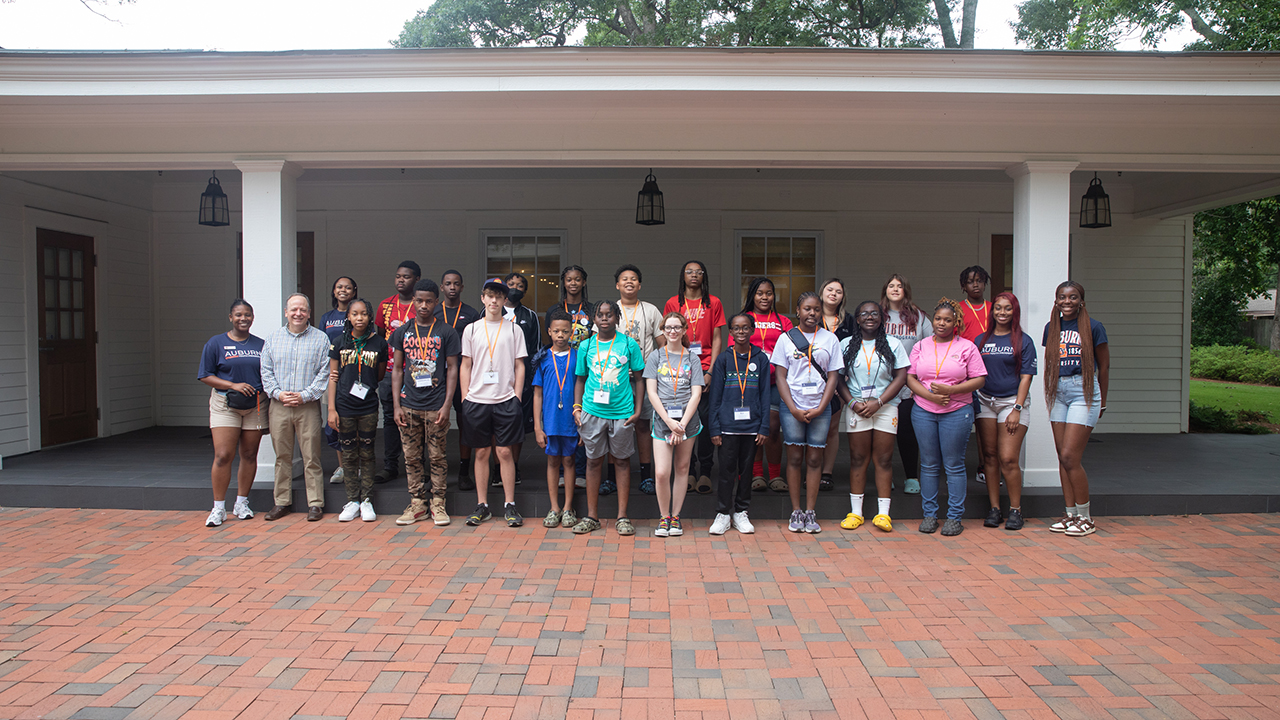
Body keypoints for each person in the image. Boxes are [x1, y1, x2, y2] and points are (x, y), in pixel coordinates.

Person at [906, 299, 987, 537]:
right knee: (929, 465)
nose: (941, 323)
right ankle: (930, 515)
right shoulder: (921, 345)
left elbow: (980, 379)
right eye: (938, 319)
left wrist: (951, 391)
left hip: (957, 411)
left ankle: (954, 517)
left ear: (956, 323)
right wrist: (930, 396)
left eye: (947, 320)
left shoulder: (967, 347)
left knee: (954, 465)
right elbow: (910, 378)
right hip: (923, 410)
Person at [571, 300, 645, 536]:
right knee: (593, 462)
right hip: (592, 412)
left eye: (609, 315)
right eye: (600, 315)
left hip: (622, 412)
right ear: (594, 319)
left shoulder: (629, 344)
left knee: (622, 462)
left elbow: (640, 379)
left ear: (617, 318)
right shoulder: (586, 346)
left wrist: (638, 410)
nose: (604, 319)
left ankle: (622, 517)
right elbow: (580, 379)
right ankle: (592, 516)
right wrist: (577, 407)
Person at [772, 292, 844, 534]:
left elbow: (833, 375)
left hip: (819, 407)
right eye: (807, 309)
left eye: (816, 309)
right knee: (793, 458)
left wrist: (822, 407)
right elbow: (780, 376)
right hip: (793, 406)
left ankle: (810, 511)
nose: (812, 313)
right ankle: (795, 510)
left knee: (814, 459)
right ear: (798, 310)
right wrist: (792, 407)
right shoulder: (786, 339)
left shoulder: (830, 339)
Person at [391, 279, 460, 527]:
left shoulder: (446, 332)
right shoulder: (402, 332)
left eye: (428, 301)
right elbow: (397, 369)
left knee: (437, 457)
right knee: (411, 457)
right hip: (408, 405)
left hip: (435, 405)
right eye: (419, 300)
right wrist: (396, 405)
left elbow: (452, 369)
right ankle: (417, 503)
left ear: (436, 302)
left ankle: (438, 503)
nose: (423, 305)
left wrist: (447, 404)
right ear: (413, 301)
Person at [835, 301, 909, 533]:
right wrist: (852, 403)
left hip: (885, 407)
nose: (869, 317)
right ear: (856, 319)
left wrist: (879, 402)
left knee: (884, 460)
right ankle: (856, 513)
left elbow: (901, 377)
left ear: (881, 318)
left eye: (874, 313)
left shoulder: (894, 344)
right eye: (864, 313)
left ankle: (883, 515)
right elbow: (837, 378)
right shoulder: (846, 345)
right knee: (858, 458)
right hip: (857, 407)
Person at [1043, 281, 1109, 537]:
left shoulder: (1094, 327)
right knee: (1062, 455)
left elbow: (1104, 366)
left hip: (1084, 390)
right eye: (1062, 297)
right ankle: (1070, 514)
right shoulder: (1052, 327)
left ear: (1081, 301)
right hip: (1058, 392)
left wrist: (1103, 400)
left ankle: (1086, 518)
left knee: (1071, 456)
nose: (1067, 301)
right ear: (1057, 300)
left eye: (1073, 297)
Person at [460, 279, 528, 528]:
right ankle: (482, 505)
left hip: (505, 399)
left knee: (505, 452)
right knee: (481, 452)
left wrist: (517, 396)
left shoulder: (513, 330)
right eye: (490, 296)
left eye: (499, 297)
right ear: (483, 298)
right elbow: (465, 364)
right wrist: (465, 396)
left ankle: (510, 504)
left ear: (504, 300)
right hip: (477, 400)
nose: (494, 301)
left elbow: (520, 365)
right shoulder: (472, 329)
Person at [260, 293, 331, 522]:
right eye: (293, 310)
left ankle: (316, 504)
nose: (298, 314)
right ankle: (281, 502)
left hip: (307, 406)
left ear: (309, 313)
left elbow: (325, 372)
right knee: (282, 456)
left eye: (302, 310)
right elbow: (266, 371)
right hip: (279, 405)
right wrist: (279, 393)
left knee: (311, 456)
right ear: (286, 312)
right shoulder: (272, 339)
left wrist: (304, 396)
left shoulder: (321, 339)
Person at [197, 299, 267, 528]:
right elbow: (205, 375)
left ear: (253, 318)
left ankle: (241, 503)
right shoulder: (216, 343)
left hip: (255, 405)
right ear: (230, 317)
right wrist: (233, 385)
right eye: (238, 315)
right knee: (223, 455)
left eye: (247, 315)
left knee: (249, 454)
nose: (243, 318)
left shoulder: (261, 345)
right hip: (225, 404)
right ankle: (218, 508)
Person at [976, 292, 1037, 531]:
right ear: (992, 312)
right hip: (985, 401)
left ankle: (1015, 510)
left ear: (1015, 312)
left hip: (1011, 402)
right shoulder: (981, 340)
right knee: (989, 457)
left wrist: (1017, 408)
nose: (1002, 313)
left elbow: (1026, 377)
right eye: (998, 308)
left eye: (1008, 309)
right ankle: (994, 508)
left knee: (1008, 459)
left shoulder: (1024, 340)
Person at [663, 260, 725, 495]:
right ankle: (687, 469)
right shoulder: (673, 303)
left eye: (699, 272)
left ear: (704, 276)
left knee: (707, 420)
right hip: (680, 369)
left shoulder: (714, 303)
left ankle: (706, 471)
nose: (694, 275)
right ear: (683, 276)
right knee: (684, 420)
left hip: (706, 368)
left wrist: (710, 371)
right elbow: (667, 334)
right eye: (689, 271)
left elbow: (718, 338)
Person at [325, 298, 388, 522]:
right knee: (349, 454)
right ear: (348, 317)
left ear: (370, 316)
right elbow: (333, 377)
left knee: (368, 453)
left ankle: (367, 500)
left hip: (369, 406)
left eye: (363, 314)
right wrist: (331, 409)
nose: (359, 318)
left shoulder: (379, 343)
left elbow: (379, 375)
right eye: (354, 314)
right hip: (344, 406)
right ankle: (352, 500)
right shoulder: (338, 342)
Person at [707, 313, 770, 536]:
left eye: (745, 328)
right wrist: (714, 427)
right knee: (726, 471)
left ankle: (741, 512)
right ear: (730, 332)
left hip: (752, 427)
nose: (741, 332)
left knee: (746, 471)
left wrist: (764, 427)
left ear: (752, 330)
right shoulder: (723, 359)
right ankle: (723, 513)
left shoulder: (761, 358)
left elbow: (765, 395)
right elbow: (714, 397)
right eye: (736, 328)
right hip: (727, 427)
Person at [643, 312, 704, 537]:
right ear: (662, 330)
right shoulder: (656, 357)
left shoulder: (693, 358)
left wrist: (682, 424)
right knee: (661, 472)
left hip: (688, 420)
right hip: (662, 420)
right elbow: (651, 392)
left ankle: (675, 517)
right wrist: (669, 422)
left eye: (677, 327)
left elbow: (696, 393)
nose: (672, 331)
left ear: (684, 329)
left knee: (682, 468)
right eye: (668, 328)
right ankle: (663, 517)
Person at [615, 265, 664, 497]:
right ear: (617, 285)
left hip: (643, 377)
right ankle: (610, 477)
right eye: (624, 279)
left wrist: (661, 369)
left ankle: (646, 477)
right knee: (613, 427)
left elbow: (662, 342)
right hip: (614, 379)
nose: (629, 282)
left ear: (640, 285)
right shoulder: (609, 309)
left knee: (644, 425)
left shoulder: (651, 310)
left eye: (634, 279)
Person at [881, 274, 931, 495]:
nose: (895, 289)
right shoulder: (878, 315)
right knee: (884, 433)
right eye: (891, 286)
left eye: (899, 286)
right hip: (882, 384)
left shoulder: (919, 317)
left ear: (906, 290)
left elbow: (931, 346)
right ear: (885, 290)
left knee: (907, 433)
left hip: (910, 385)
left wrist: (921, 380)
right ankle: (886, 475)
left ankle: (912, 477)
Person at [741, 277, 792, 495]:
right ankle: (757, 473)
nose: (764, 297)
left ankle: (775, 474)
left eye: (769, 293)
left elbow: (793, 350)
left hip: (775, 382)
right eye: (760, 293)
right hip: (749, 383)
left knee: (772, 429)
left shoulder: (783, 321)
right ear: (752, 295)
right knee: (752, 427)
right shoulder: (745, 319)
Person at [374, 261, 422, 485]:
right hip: (390, 371)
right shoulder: (384, 305)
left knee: (416, 418)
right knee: (390, 418)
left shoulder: (421, 305)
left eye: (406, 276)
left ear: (416, 280)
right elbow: (381, 337)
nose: (401, 280)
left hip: (416, 372)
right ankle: (390, 465)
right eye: (398, 276)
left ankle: (419, 467)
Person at [547, 265, 594, 491]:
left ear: (584, 282)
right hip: (561, 366)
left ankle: (582, 471)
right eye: (568, 279)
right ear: (563, 283)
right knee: (563, 417)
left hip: (584, 366)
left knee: (582, 417)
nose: (573, 283)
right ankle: (564, 472)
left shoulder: (591, 309)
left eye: (577, 279)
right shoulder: (555, 309)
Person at [435, 269, 483, 491]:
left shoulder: (472, 314)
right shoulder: (434, 312)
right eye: (448, 283)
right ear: (442, 287)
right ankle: (435, 472)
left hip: (465, 376)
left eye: (456, 283)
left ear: (462, 287)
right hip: (436, 378)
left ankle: (464, 472)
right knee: (435, 424)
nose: (452, 287)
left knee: (465, 423)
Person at [533, 308, 579, 529]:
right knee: (552, 460)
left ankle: (569, 507)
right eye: (556, 331)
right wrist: (537, 426)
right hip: (550, 420)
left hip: (571, 420)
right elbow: (537, 394)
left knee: (569, 460)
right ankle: (554, 507)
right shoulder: (542, 358)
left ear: (572, 332)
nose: (561, 335)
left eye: (565, 331)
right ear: (549, 331)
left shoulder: (579, 357)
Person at [500, 272, 542, 489]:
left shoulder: (530, 315)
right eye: (511, 284)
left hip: (521, 378)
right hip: (494, 377)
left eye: (520, 285)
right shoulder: (490, 311)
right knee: (495, 424)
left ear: (525, 291)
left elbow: (535, 350)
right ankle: (498, 467)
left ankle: (514, 466)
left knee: (516, 424)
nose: (515, 288)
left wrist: (531, 380)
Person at [819, 278, 856, 492]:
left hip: (840, 382)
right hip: (811, 383)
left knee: (832, 428)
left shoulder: (849, 322)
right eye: (829, 289)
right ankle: (812, 469)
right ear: (822, 292)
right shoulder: (812, 317)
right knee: (814, 428)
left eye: (838, 291)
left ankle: (827, 473)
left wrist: (842, 382)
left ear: (843, 297)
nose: (833, 294)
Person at [322, 276, 357, 485]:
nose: (343, 290)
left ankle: (357, 466)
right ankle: (343, 466)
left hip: (355, 375)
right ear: (334, 292)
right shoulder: (327, 318)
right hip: (334, 375)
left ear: (354, 292)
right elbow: (321, 345)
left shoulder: (359, 313)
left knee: (356, 421)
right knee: (337, 423)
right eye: (339, 287)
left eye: (348, 288)